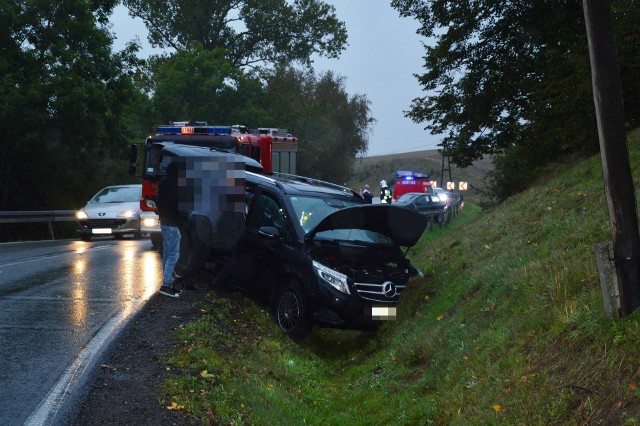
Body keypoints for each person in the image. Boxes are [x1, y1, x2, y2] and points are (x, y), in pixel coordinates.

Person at [157, 161, 182, 298]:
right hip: (171, 223)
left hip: (165, 222)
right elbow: (175, 203)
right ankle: (166, 285)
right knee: (173, 254)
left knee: (168, 254)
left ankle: (169, 284)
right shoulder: (171, 183)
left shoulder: (164, 182)